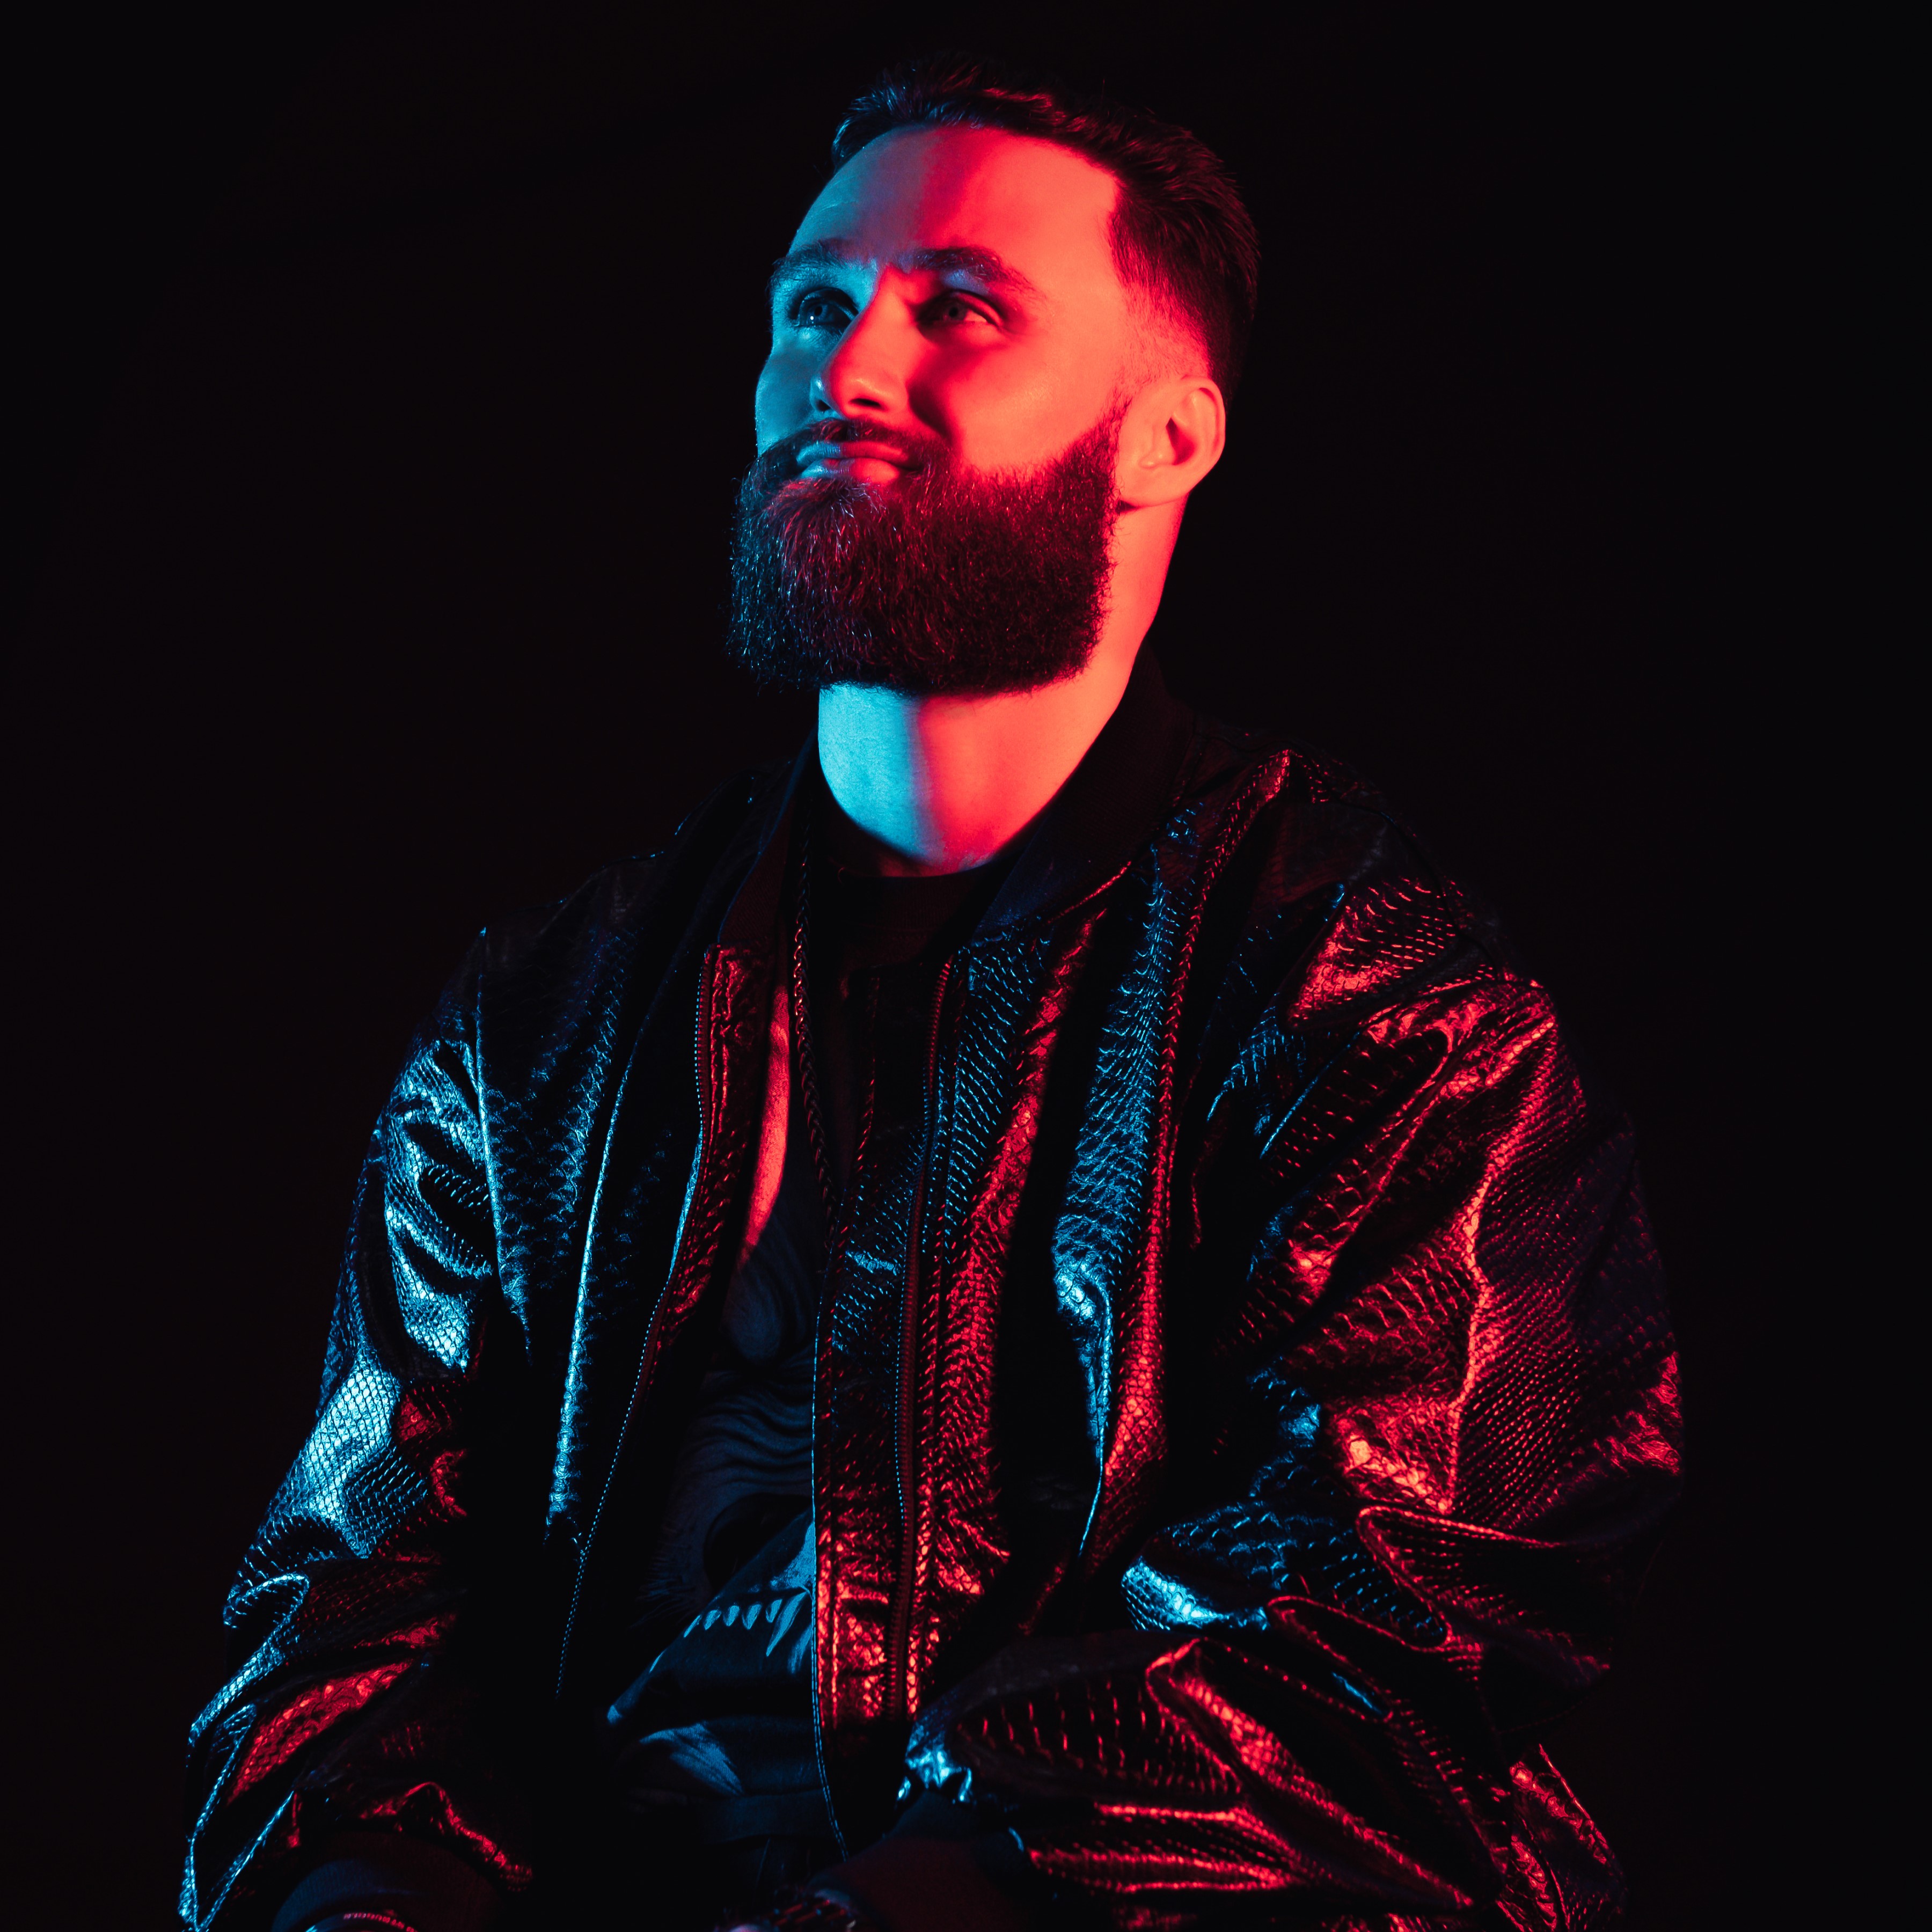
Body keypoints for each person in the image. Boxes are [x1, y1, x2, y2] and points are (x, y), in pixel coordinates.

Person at [182, 55, 1681, 1932]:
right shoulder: (541, 1021)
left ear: (1167, 438)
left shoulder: (1374, 1002)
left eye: (959, 308)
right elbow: (350, 1612)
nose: (849, 368)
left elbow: (1395, 1614)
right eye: (816, 306)